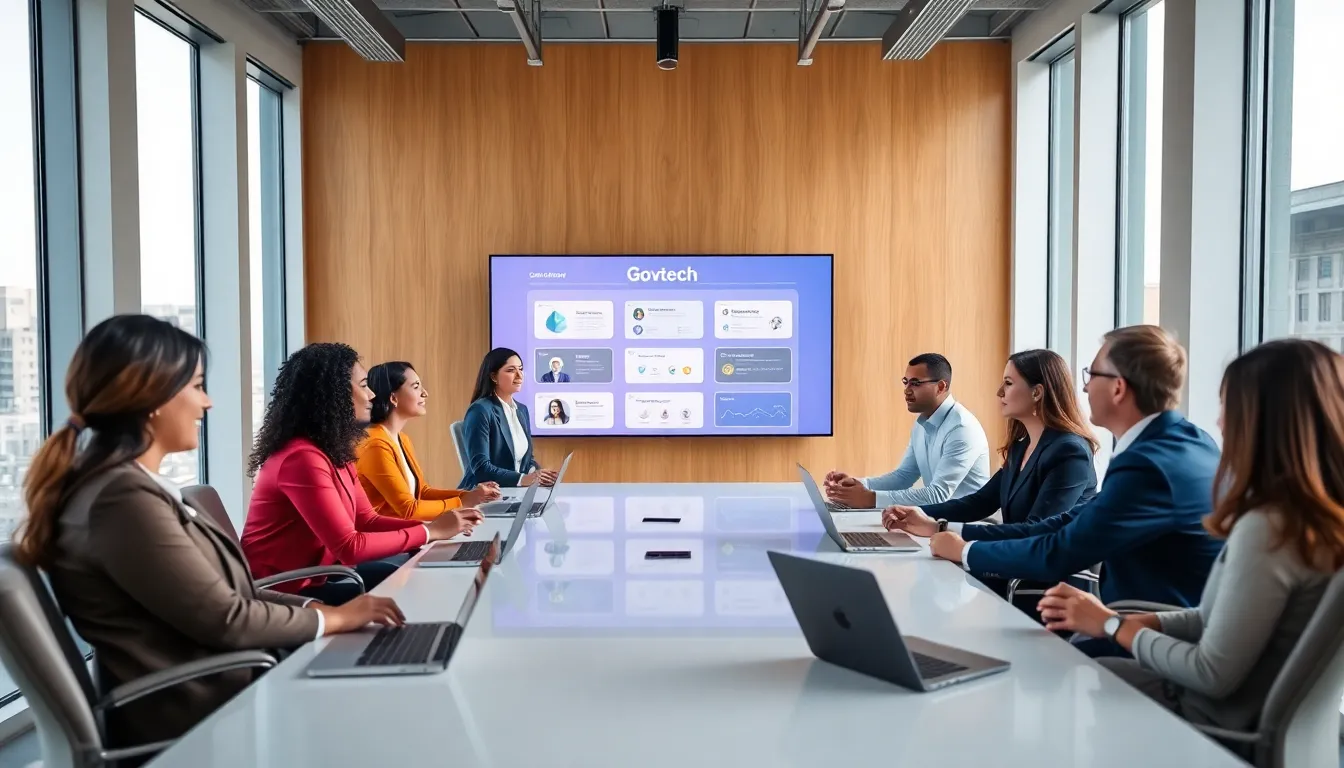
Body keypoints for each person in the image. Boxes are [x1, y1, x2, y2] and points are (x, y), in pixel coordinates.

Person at [17, 316, 406, 751]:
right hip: (201, 714)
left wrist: (316, 607)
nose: (208, 403)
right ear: (153, 395)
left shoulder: (128, 488)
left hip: (221, 687)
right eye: (197, 386)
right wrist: (333, 617)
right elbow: (227, 619)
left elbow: (229, 594)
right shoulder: (121, 500)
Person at [1037, 338, 1344, 736]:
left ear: (1264, 421)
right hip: (1246, 716)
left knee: (1053, 678)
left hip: (1205, 721)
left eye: (1228, 407)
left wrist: (1113, 625)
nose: (1219, 422)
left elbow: (1211, 672)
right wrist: (1136, 622)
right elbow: (1215, 620)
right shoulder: (1311, 521)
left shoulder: (1267, 529)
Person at [886, 326, 1225, 654]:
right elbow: (1072, 521)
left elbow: (1058, 549)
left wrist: (962, 550)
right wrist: (943, 529)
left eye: (1091, 375)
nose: (1086, 387)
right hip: (1149, 623)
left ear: (1119, 388)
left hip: (1149, 636)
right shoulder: (1188, 442)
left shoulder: (1145, 463)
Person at [243, 343, 482, 605]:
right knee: (406, 592)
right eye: (364, 385)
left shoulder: (334, 451)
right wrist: (430, 532)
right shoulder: (301, 458)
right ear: (333, 395)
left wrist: (436, 528)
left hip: (315, 575)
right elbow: (349, 547)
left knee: (402, 579)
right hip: (282, 593)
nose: (371, 395)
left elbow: (366, 520)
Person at [882, 349, 1099, 531]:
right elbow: (980, 502)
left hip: (1040, 579)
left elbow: (1035, 531)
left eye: (1008, 383)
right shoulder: (1022, 446)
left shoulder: (1070, 452)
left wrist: (940, 527)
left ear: (1037, 393)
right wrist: (913, 512)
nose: (999, 392)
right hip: (1010, 563)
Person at [825, 353, 990, 509]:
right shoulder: (922, 423)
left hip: (967, 527)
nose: (907, 390)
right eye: (906, 382)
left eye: (915, 383)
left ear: (940, 387)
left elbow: (938, 495)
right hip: (938, 520)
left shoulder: (961, 428)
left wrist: (870, 498)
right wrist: (857, 485)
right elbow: (904, 476)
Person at [357, 361, 501, 522]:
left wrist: (470, 495)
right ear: (393, 398)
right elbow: (408, 509)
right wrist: (462, 503)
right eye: (416, 386)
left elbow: (422, 492)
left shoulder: (401, 439)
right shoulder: (375, 445)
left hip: (409, 532)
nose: (425, 393)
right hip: (391, 540)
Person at [459, 347, 558, 489]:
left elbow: (527, 460)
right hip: (485, 495)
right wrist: (523, 479)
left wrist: (538, 475)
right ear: (493, 377)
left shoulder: (521, 410)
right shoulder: (480, 410)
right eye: (511, 370)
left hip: (513, 492)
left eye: (521, 369)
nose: (519, 375)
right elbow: (481, 468)